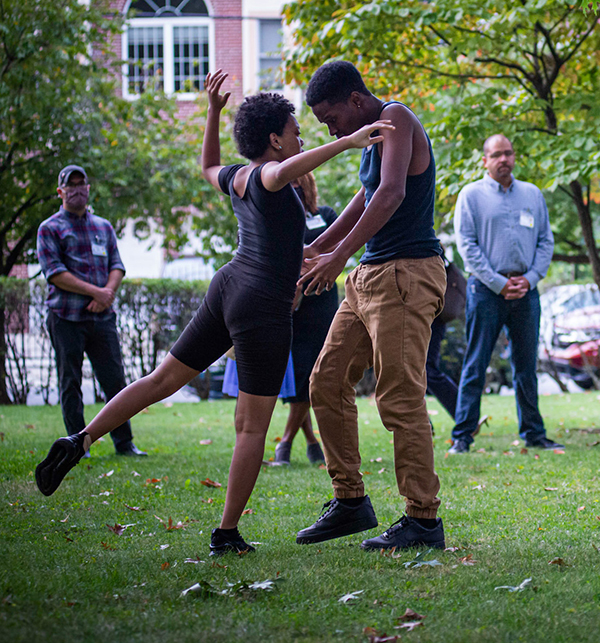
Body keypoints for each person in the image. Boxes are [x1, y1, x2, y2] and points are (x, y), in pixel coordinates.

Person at [35, 70, 392, 557]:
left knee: (161, 379)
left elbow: (207, 167)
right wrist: (347, 142)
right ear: (273, 138)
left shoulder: (237, 176)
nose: (302, 136)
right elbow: (282, 172)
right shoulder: (268, 174)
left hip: (229, 285)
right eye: (294, 130)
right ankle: (226, 533)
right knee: (250, 426)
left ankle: (79, 439)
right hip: (262, 306)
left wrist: (212, 112)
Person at [295, 61, 448, 552]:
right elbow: (364, 198)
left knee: (399, 396)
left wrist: (337, 256)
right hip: (369, 277)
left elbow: (391, 193)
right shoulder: (373, 142)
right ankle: (351, 502)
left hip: (406, 274)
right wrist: (320, 246)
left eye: (331, 117)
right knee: (325, 379)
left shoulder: (396, 118)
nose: (330, 129)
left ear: (356, 100)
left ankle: (423, 521)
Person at [448, 134, 562, 454]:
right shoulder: (470, 195)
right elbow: (467, 246)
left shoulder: (532, 194)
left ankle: (534, 434)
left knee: (526, 366)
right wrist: (498, 282)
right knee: (476, 363)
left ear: (514, 157)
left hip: (527, 290)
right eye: (496, 154)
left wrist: (531, 278)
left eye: (508, 153)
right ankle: (462, 437)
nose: (504, 160)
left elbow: (545, 241)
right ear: (484, 160)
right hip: (486, 291)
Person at [36, 165, 146, 458]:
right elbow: (55, 273)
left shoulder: (103, 227)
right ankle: (77, 445)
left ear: (88, 188)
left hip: (102, 319)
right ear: (60, 192)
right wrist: (96, 292)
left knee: (115, 382)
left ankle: (124, 443)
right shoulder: (49, 229)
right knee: (70, 382)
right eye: (69, 186)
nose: (76, 190)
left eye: (80, 184)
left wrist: (106, 295)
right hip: (65, 318)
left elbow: (117, 265)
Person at [275, 172, 338, 466]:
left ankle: (285, 444)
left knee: (313, 374)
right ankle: (312, 442)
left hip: (322, 304)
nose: (296, 187)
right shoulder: (281, 219)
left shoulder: (325, 216)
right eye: (291, 183)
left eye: (301, 182)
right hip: (291, 305)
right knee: (297, 376)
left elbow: (336, 252)